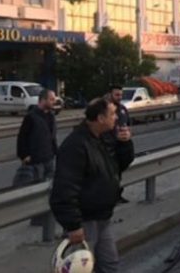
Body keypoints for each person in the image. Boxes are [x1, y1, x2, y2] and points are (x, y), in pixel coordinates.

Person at [50, 97, 134, 273]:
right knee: (83, 268)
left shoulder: (100, 139)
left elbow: (117, 167)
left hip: (103, 217)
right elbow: (64, 188)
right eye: (112, 114)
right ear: (100, 118)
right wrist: (73, 225)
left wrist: (124, 144)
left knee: (110, 265)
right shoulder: (76, 145)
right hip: (85, 221)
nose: (116, 118)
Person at [16, 89, 58, 182]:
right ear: (43, 100)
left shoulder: (51, 116)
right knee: (36, 185)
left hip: (49, 158)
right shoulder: (31, 117)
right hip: (36, 160)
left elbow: (52, 136)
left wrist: (55, 151)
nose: (54, 102)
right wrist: (24, 155)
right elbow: (22, 137)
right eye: (51, 99)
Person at [109, 85, 131, 204]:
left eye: (121, 95)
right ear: (111, 95)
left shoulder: (123, 109)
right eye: (117, 95)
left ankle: (117, 195)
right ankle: (111, 196)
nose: (119, 97)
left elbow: (128, 123)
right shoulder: (107, 109)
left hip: (122, 146)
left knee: (119, 173)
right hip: (110, 146)